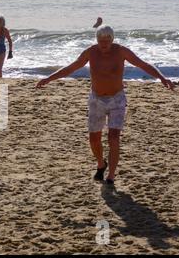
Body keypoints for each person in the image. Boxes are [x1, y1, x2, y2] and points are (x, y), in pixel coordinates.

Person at [36, 25, 175, 184]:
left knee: (113, 137)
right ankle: (101, 164)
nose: (103, 44)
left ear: (112, 39)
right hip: (96, 100)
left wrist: (163, 78)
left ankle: (111, 175)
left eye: (106, 41)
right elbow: (71, 67)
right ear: (97, 40)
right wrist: (49, 78)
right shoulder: (91, 52)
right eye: (100, 41)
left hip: (117, 99)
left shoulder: (121, 51)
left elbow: (143, 64)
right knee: (94, 139)